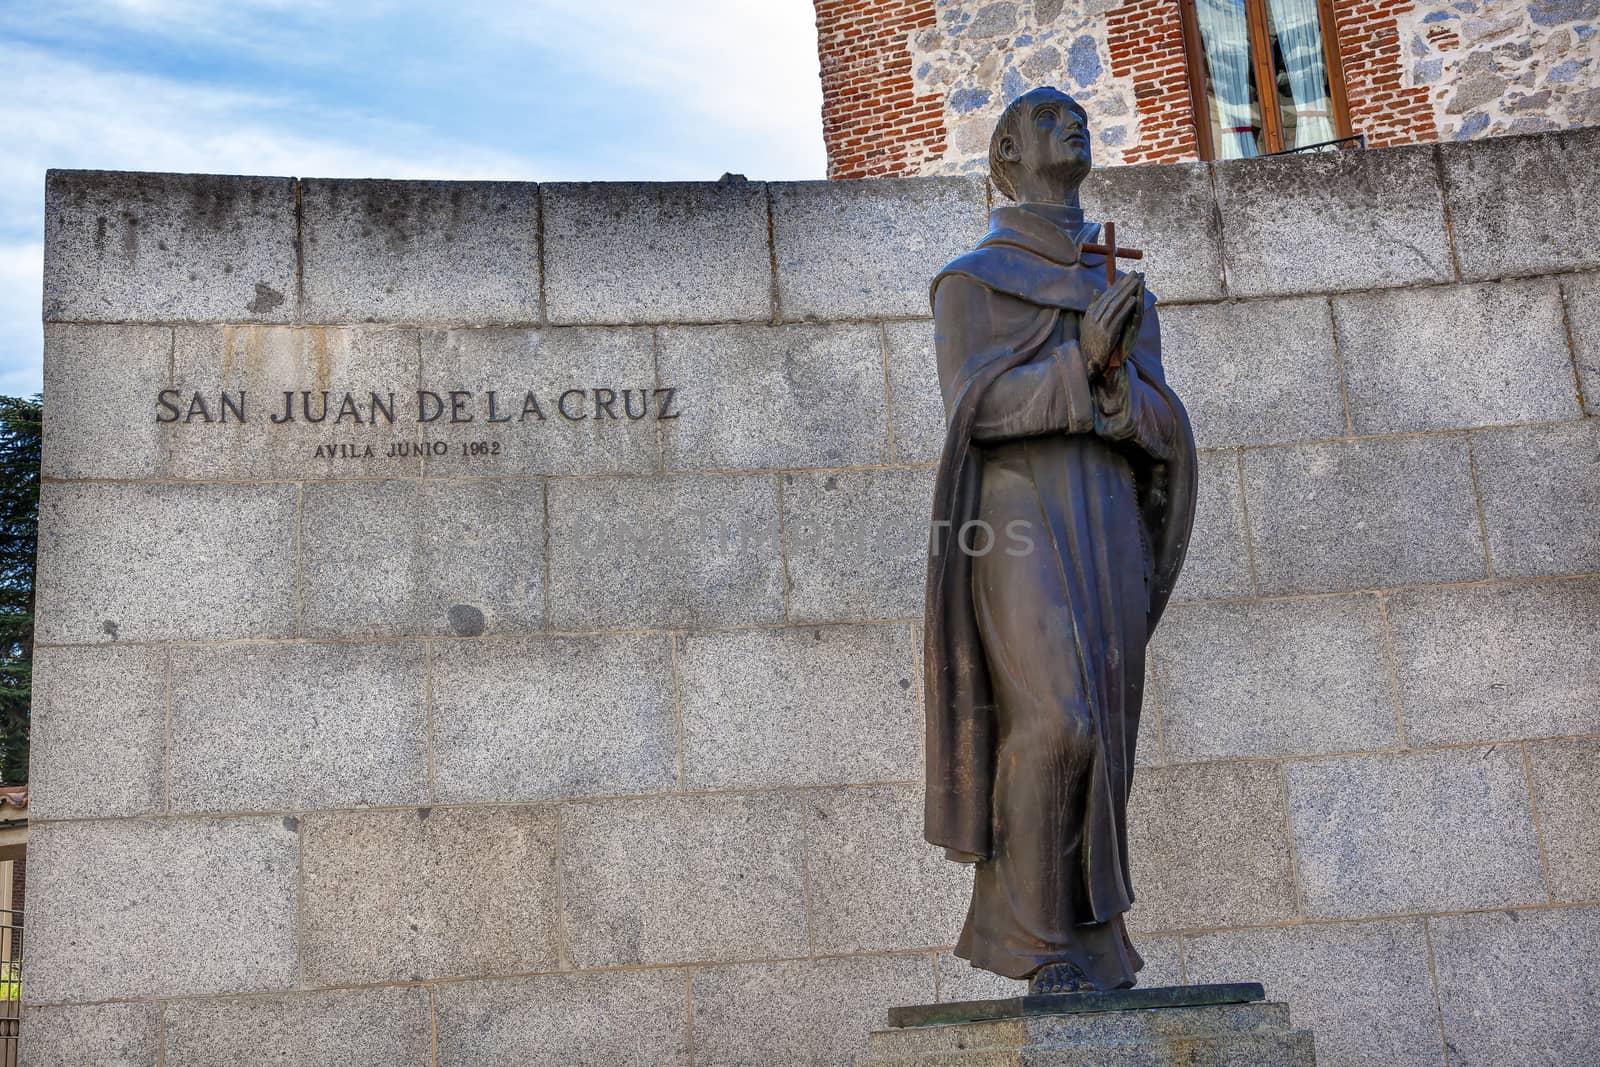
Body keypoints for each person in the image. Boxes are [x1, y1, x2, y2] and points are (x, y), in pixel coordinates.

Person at [922, 86, 1198, 994]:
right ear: (1004, 152)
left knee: (1106, 730)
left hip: (1107, 513)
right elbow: (978, 407)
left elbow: (1162, 422)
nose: (1069, 121)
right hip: (1012, 517)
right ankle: (1036, 947)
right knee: (1059, 717)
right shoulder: (972, 281)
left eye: (1077, 113)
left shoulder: (1117, 284)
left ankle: (1090, 948)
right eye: (1045, 116)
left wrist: (1120, 386)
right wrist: (1081, 362)